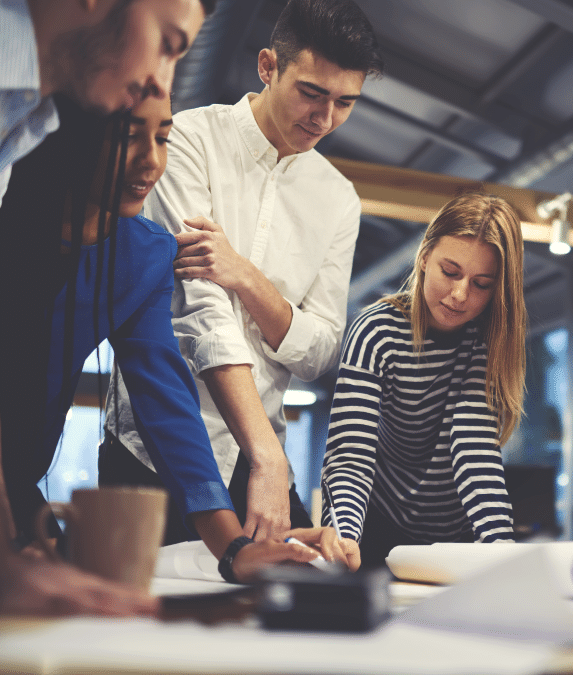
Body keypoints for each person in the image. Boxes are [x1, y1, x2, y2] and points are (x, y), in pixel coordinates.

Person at [0, 94, 352, 615]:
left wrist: (235, 549)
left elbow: (167, 405)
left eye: (161, 137)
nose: (151, 162)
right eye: (127, 138)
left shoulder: (143, 254)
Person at [100, 0, 382, 557]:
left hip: (257, 462)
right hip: (153, 449)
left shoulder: (339, 200)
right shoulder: (183, 141)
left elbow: (322, 350)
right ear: (268, 66)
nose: (325, 119)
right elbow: (197, 310)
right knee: (139, 627)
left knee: (290, 614)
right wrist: (268, 455)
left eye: (345, 102)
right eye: (312, 93)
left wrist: (248, 278)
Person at [0, 0, 213, 618]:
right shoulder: (29, 197)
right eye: (169, 43)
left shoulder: (26, 121)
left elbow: (167, 395)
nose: (159, 80)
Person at [321, 193, 525, 568]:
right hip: (376, 526)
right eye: (450, 272)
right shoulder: (377, 331)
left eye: (481, 283)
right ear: (425, 257)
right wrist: (345, 533)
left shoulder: (485, 341)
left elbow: (475, 451)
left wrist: (500, 547)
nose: (460, 294)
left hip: (457, 535)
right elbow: (352, 454)